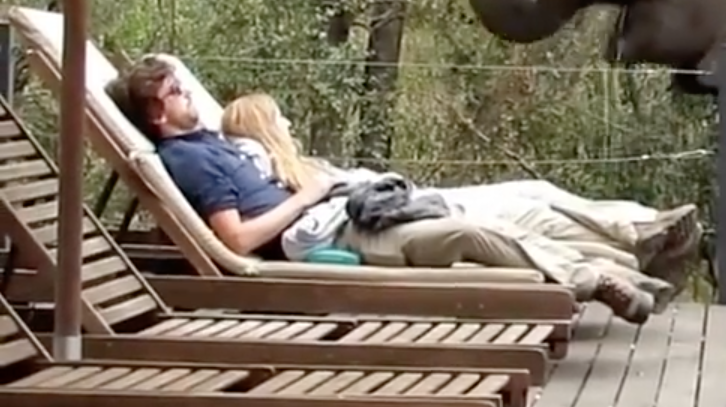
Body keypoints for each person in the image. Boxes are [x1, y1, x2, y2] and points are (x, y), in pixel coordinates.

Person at [104, 57, 665, 323]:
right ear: (157, 112)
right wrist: (309, 194)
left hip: (348, 212)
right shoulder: (189, 160)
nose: (189, 97)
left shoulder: (210, 140)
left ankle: (613, 275)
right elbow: (239, 240)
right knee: (472, 232)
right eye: (178, 92)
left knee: (495, 225)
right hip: (331, 234)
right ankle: (598, 280)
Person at [218, 92, 701, 293]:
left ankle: (638, 235)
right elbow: (256, 214)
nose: (288, 122)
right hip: (398, 215)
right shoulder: (266, 167)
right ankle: (635, 243)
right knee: (524, 207)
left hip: (408, 201)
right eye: (278, 117)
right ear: (263, 127)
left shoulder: (301, 167)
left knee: (532, 193)